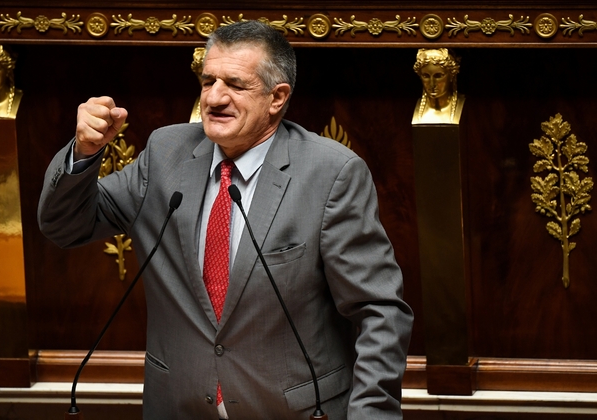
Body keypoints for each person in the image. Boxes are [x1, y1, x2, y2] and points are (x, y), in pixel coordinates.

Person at [39, 20, 413, 419]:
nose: (215, 97)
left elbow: (380, 311)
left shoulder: (331, 173)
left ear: (277, 97)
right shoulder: (165, 154)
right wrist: (84, 152)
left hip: (295, 410)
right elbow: (65, 225)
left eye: (235, 84)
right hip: (179, 405)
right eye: (208, 81)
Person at [412, 48, 464, 125]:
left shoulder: (467, 108)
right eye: (426, 76)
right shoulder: (409, 109)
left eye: (438, 76)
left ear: (451, 75)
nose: (432, 84)